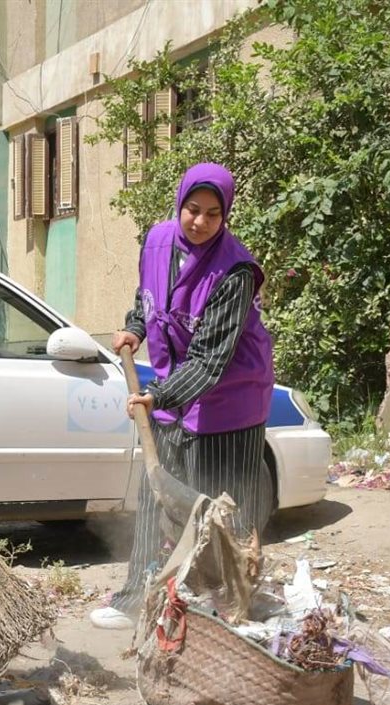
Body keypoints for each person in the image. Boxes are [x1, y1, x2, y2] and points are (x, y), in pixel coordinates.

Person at [90, 162, 275, 630]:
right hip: (170, 392)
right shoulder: (156, 241)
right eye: (193, 209)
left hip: (229, 401)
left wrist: (158, 396)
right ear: (180, 204)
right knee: (156, 495)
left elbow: (212, 360)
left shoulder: (235, 271)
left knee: (220, 509)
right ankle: (136, 599)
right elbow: (146, 298)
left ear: (225, 215)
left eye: (213, 214)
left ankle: (226, 608)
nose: (200, 222)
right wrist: (135, 329)